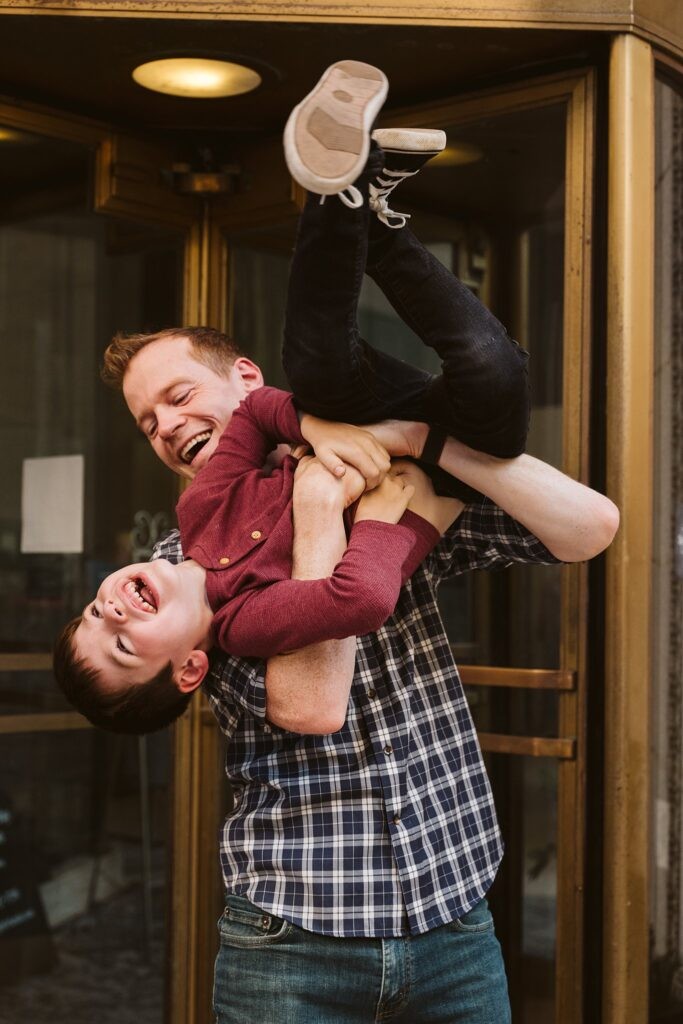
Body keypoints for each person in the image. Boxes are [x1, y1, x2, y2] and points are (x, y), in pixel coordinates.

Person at [66, 61, 619, 1023]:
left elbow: (589, 529)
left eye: (178, 397)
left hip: (454, 920)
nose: (165, 427)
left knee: (482, 376)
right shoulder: (188, 573)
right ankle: (352, 205)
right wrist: (341, 508)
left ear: (244, 380)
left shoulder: (361, 461)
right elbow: (309, 697)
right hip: (294, 942)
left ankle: (352, 205)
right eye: (147, 423)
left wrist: (425, 449)